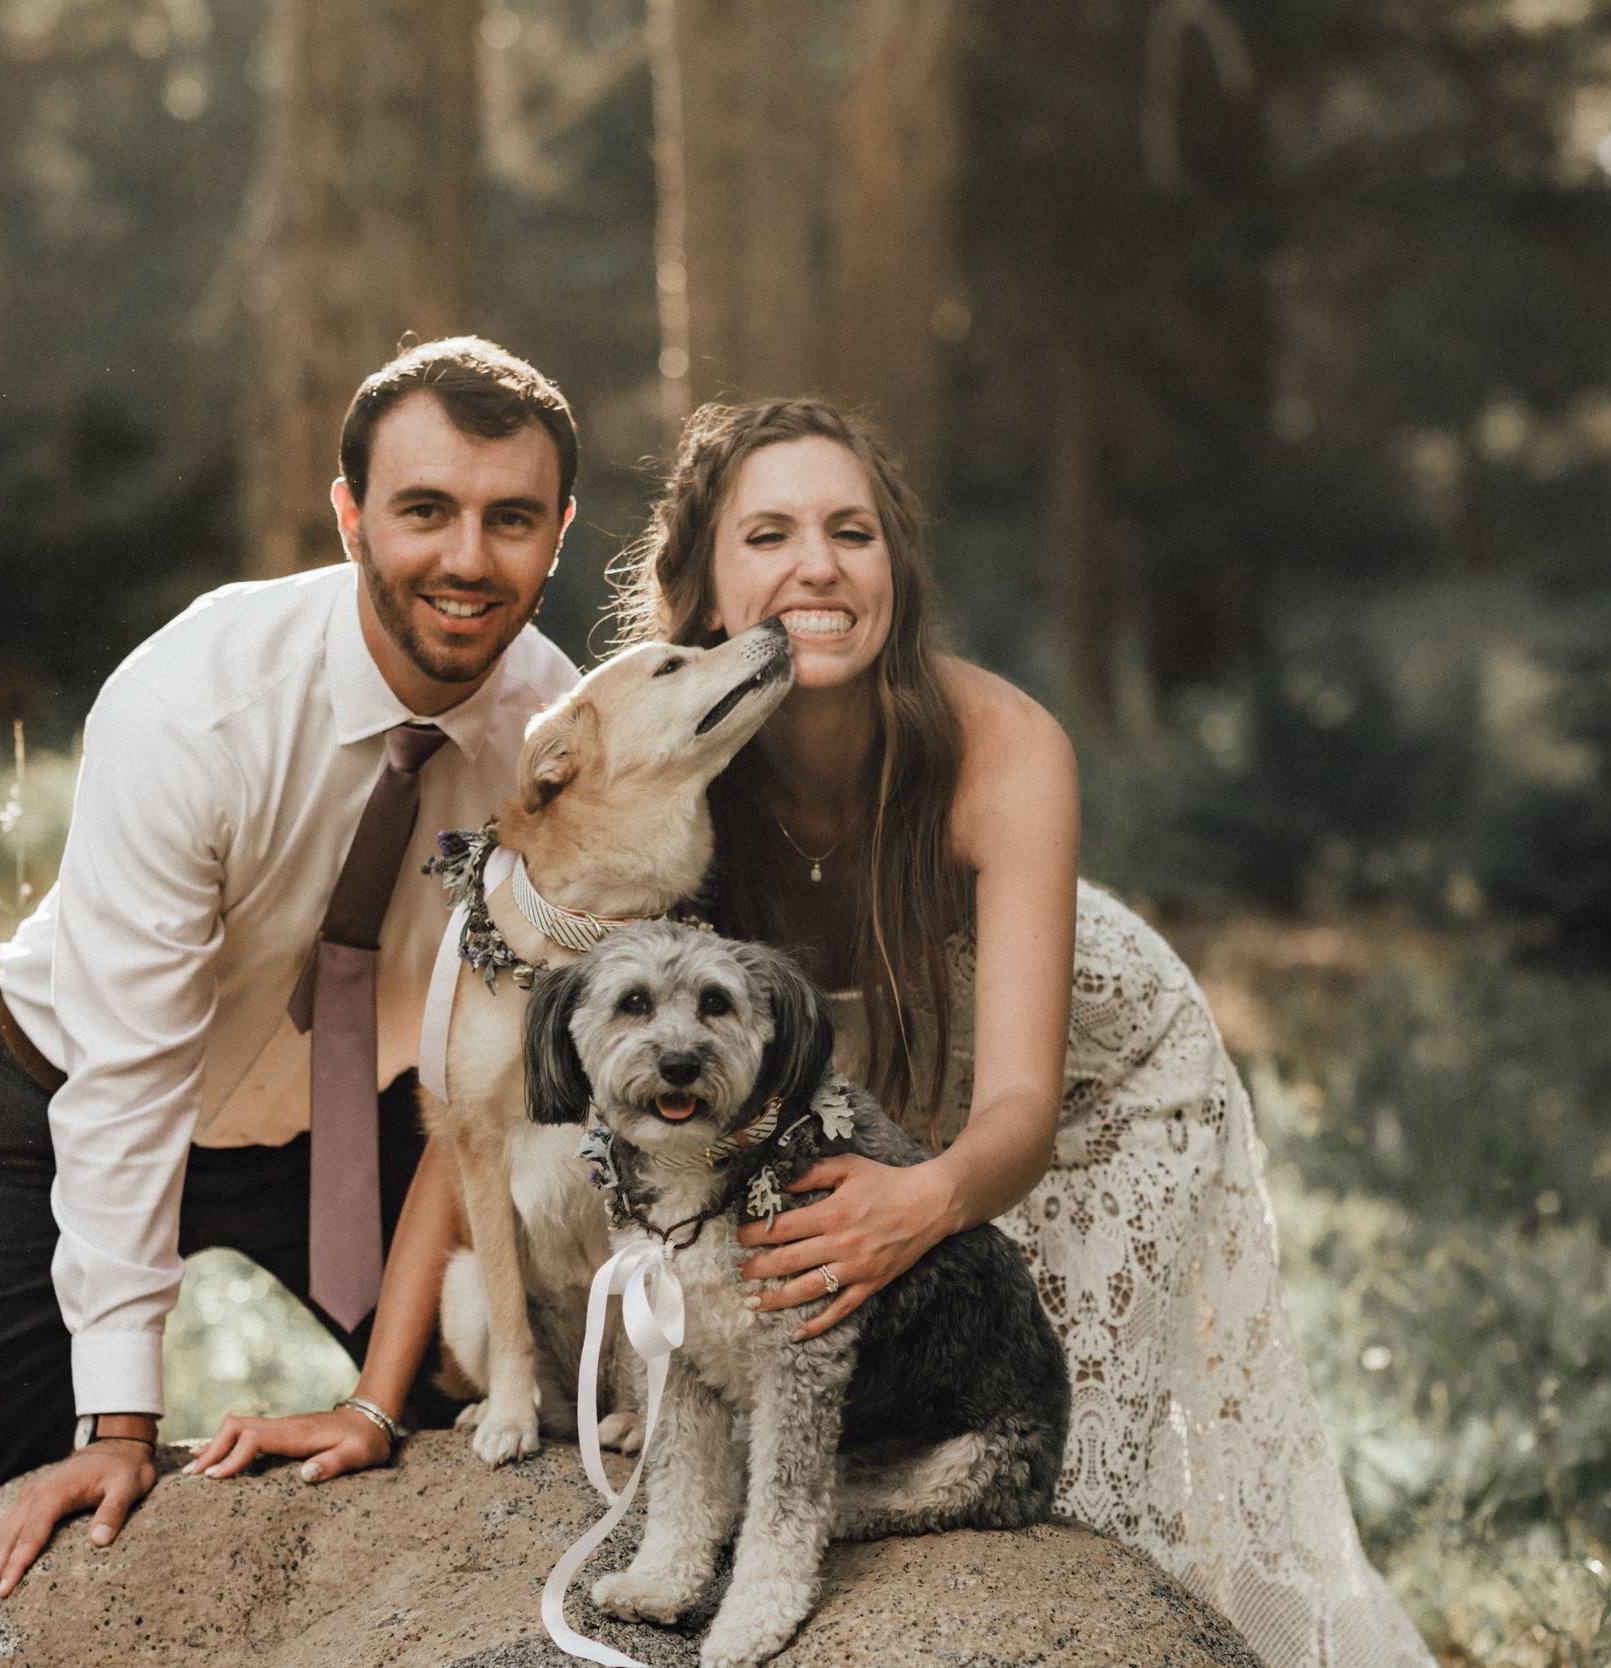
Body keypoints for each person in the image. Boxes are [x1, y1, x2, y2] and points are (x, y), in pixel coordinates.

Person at [608, 398, 1437, 1668]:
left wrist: (924, 1196)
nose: (818, 566)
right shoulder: (660, 761)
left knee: (1071, 1475)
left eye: (853, 532)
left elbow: (1015, 1114)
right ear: (706, 588)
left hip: (1090, 1093)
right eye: (768, 533)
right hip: (886, 1099)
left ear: (897, 570)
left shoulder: (1003, 745)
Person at [0, 338, 584, 1663]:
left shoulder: (553, 735)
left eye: (508, 519)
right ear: (351, 514)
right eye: (425, 510)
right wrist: (119, 1426)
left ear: (558, 533)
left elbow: (492, 1063)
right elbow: (128, 1084)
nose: (467, 559)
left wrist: (380, 1391)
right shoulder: (196, 708)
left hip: (358, 1128)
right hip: (69, 1102)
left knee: (521, 1419)